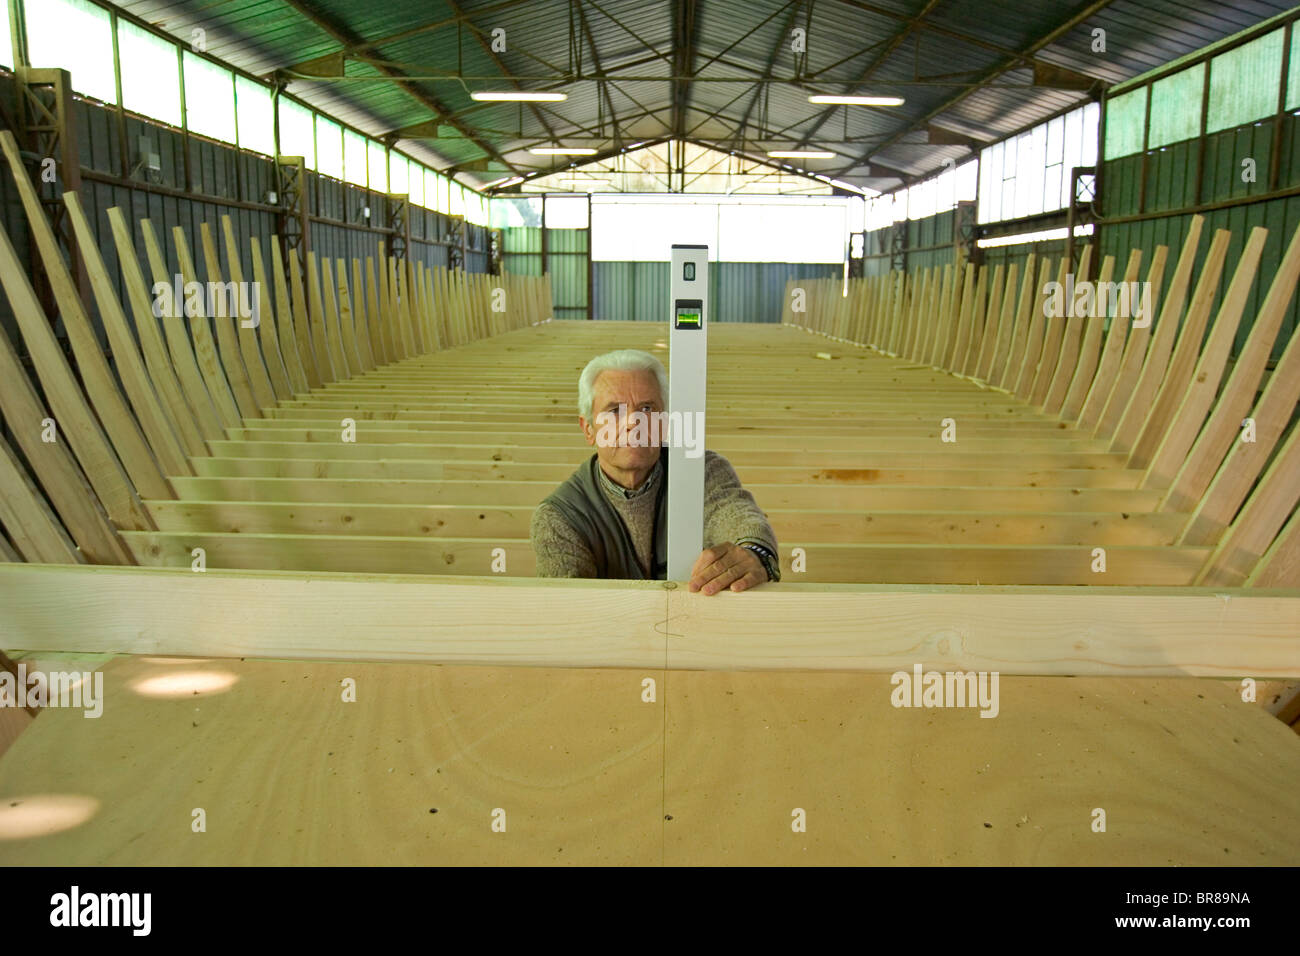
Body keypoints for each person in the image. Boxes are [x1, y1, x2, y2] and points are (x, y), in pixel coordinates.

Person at [530, 349, 780, 594]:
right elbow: (568, 607)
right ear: (588, 429)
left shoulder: (703, 471)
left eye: (647, 409)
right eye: (615, 410)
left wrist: (754, 552)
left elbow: (739, 516)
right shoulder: (559, 516)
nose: (633, 423)